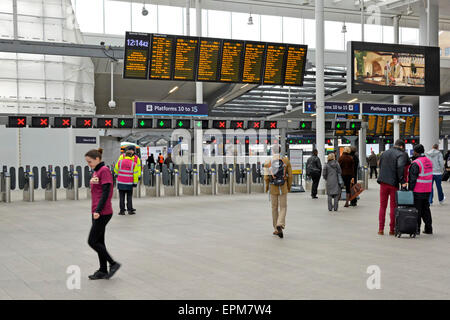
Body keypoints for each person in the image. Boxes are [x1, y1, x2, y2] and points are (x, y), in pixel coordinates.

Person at [85, 148, 121, 280]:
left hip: (102, 212)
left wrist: (98, 211)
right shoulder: (96, 171)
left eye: (90, 162)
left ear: (97, 159)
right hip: (96, 210)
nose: (89, 164)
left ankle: (113, 264)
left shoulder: (104, 170)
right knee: (100, 241)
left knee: (92, 241)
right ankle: (103, 270)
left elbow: (107, 192)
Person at [377, 139, 409, 235]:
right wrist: (402, 181)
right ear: (402, 147)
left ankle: (381, 229)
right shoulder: (401, 154)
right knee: (393, 207)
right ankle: (392, 229)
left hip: (383, 183)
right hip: (393, 184)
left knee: (382, 206)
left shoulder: (384, 153)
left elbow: (380, 165)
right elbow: (400, 167)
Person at [264, 144, 293, 239]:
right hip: (283, 186)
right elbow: (290, 175)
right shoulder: (285, 160)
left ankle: (276, 229)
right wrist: (289, 186)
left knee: (274, 207)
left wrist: (267, 187)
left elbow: (266, 176)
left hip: (273, 187)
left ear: (272, 151)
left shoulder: (269, 161)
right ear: (280, 150)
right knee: (283, 207)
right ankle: (280, 223)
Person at [408, 144, 433, 235]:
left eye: (414, 151)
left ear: (416, 152)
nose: (413, 152)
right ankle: (428, 228)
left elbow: (412, 179)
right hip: (427, 189)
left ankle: (417, 229)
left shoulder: (416, 163)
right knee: (426, 209)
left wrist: (410, 190)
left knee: (417, 210)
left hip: (418, 190)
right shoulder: (429, 161)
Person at [114, 150, 140, 215]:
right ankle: (130, 210)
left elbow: (116, 170)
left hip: (121, 183)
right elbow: (135, 175)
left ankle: (122, 211)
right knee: (129, 197)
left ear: (125, 155)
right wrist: (135, 183)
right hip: (129, 183)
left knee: (121, 197)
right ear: (131, 156)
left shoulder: (120, 162)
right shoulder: (134, 164)